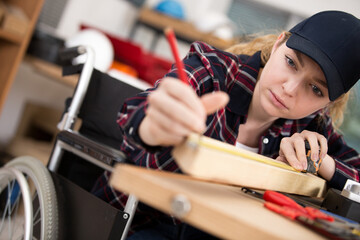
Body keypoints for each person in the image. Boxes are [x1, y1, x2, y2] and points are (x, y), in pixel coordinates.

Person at [92, 10, 360, 239]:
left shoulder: (311, 126)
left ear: (326, 104)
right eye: (291, 63)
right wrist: (153, 128)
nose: (290, 89)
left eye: (315, 89)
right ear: (278, 45)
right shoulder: (212, 71)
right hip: (131, 223)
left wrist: (323, 162)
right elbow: (140, 111)